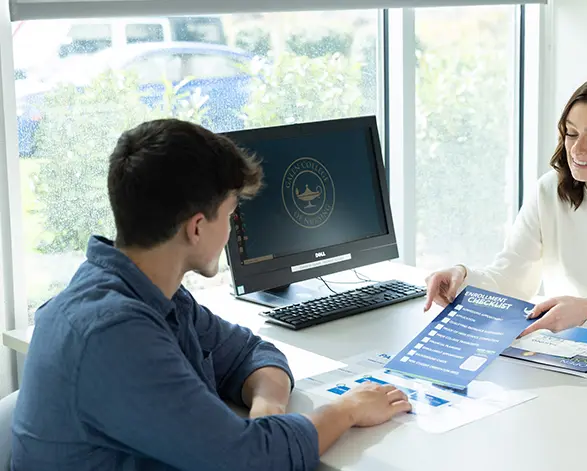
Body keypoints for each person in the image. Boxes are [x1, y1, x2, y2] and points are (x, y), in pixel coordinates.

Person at [12, 119, 412, 471]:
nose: (235, 229)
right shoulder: (113, 335)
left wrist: (267, 412)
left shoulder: (151, 291)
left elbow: (250, 352)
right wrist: (346, 410)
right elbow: (251, 461)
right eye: (231, 212)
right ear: (197, 227)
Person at [424, 71, 587, 351]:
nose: (576, 149)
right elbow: (512, 279)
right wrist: (463, 278)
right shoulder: (549, 190)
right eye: (571, 133)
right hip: (572, 348)